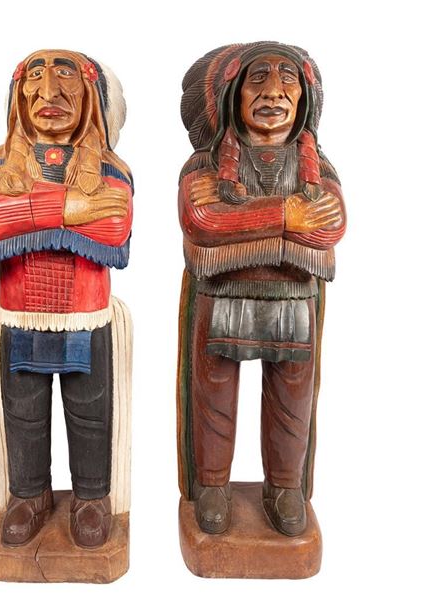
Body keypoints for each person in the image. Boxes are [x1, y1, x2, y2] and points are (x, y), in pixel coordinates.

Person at [177, 42, 346, 536]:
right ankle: (212, 484)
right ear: (231, 94)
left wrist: (242, 223)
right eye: (258, 79)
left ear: (305, 99)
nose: (273, 92)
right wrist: (286, 217)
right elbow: (202, 220)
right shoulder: (206, 165)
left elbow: (329, 226)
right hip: (221, 299)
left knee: (292, 402)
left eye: (287, 80)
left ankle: (285, 487)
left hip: (293, 301)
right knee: (214, 399)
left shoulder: (317, 167)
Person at [0, 49, 132, 548]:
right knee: (24, 412)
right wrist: (70, 208)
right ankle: (28, 494)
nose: (48, 94)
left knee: (89, 413)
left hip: (85, 316)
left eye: (64, 79)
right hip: (20, 314)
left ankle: (91, 496)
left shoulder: (110, 169)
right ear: (18, 99)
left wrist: (24, 212)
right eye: (35, 81)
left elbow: (114, 225)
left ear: (91, 99)